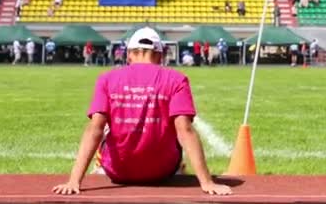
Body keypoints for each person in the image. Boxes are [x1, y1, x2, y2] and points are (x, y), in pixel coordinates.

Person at [52, 27, 231, 196]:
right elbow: (185, 131)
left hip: (118, 172)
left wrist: (73, 181)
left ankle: (98, 169)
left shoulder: (106, 79)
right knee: (173, 127)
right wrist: (207, 182)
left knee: (106, 127)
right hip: (163, 171)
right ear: (160, 55)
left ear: (129, 54)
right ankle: (180, 169)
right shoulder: (177, 80)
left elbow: (94, 129)